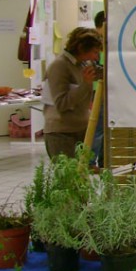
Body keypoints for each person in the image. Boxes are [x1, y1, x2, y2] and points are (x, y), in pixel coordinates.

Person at [42, 27, 103, 159]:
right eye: (94, 52)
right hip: (62, 133)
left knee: (81, 171)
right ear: (81, 48)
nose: (96, 57)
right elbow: (62, 103)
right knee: (68, 172)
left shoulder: (82, 64)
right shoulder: (59, 66)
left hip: (80, 130)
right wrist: (85, 84)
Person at [91, 11, 106, 168]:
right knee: (98, 128)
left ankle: (103, 161)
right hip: (97, 91)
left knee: (104, 128)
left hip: (107, 91)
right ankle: (90, 160)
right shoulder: (96, 42)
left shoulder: (106, 41)